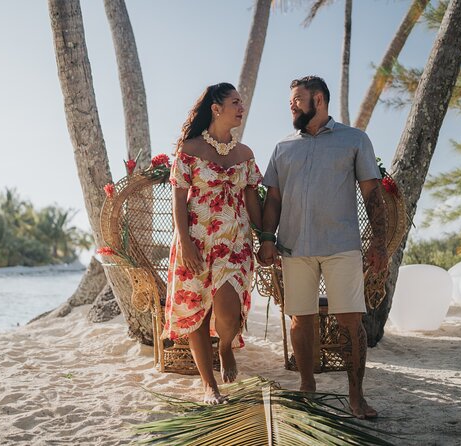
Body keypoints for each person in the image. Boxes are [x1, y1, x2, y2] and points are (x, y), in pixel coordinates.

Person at [258, 76, 387, 419]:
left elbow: (372, 193)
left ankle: (356, 396)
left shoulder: (354, 139)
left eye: (297, 99)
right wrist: (267, 238)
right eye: (290, 101)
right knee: (301, 319)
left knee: (350, 319)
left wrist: (379, 241)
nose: (291, 105)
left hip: (341, 244)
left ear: (318, 98)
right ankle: (306, 385)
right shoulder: (283, 147)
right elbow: (273, 198)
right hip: (294, 245)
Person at [162, 82, 263, 404]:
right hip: (196, 243)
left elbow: (253, 202)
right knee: (198, 313)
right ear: (216, 109)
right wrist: (186, 244)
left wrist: (269, 237)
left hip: (235, 244)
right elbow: (178, 202)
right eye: (235, 102)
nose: (241, 106)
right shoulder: (189, 150)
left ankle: (225, 348)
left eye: (242, 101)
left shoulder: (245, 154)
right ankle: (210, 385)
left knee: (229, 314)